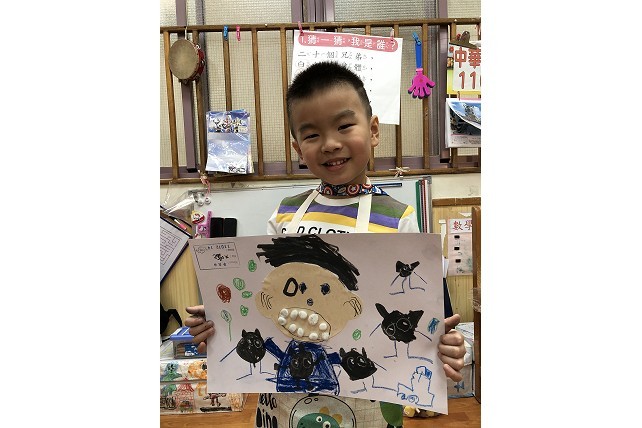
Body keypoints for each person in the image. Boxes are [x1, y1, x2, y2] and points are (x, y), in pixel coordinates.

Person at [185, 61, 466, 427]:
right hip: (285, 399)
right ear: (297, 148)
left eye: (344, 126)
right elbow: (257, 301)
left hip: (370, 399)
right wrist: (218, 324)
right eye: (312, 134)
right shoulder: (285, 215)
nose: (331, 143)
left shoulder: (399, 219)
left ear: (374, 130)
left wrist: (447, 345)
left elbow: (434, 316)